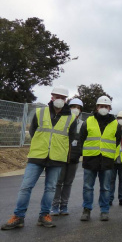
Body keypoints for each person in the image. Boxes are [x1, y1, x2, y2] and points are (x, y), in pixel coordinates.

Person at [1, 86, 77, 230]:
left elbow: (71, 137)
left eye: (62, 97)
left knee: (50, 188)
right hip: (37, 155)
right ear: (52, 97)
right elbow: (33, 131)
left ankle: (44, 216)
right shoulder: (40, 112)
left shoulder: (71, 118)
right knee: (25, 187)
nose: (59, 100)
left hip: (57, 158)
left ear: (66, 100)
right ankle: (18, 216)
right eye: (56, 96)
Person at [79, 96, 122, 222]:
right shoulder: (88, 121)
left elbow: (117, 141)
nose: (103, 108)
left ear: (110, 108)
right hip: (90, 160)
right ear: (97, 107)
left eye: (106, 106)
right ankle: (86, 210)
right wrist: (85, 153)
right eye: (101, 106)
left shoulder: (115, 124)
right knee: (88, 187)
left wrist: (112, 156)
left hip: (107, 160)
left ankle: (104, 210)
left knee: (106, 187)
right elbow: (82, 138)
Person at [51, 98, 84, 216]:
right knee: (58, 182)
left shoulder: (82, 125)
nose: (76, 109)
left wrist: (79, 153)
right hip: (61, 157)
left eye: (78, 107)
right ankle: (54, 206)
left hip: (74, 159)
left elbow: (84, 141)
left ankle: (64, 205)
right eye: (73, 106)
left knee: (68, 182)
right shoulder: (62, 120)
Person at [110, 111, 122, 206]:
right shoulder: (112, 128)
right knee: (111, 180)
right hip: (113, 158)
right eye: (120, 118)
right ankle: (109, 198)